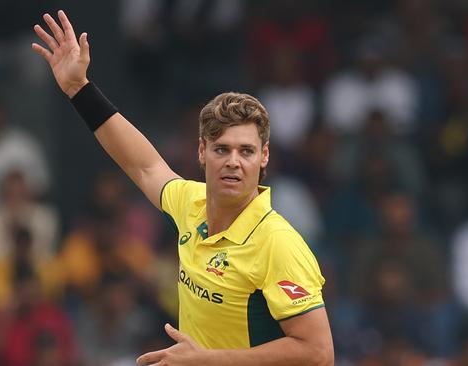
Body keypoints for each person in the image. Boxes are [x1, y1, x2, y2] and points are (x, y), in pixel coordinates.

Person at [32, 10, 333, 366]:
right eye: (222, 149)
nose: (233, 161)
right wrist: (78, 89)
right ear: (202, 152)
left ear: (264, 157)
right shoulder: (191, 203)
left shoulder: (277, 244)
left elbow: (318, 353)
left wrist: (205, 359)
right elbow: (143, 165)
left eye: (246, 151)